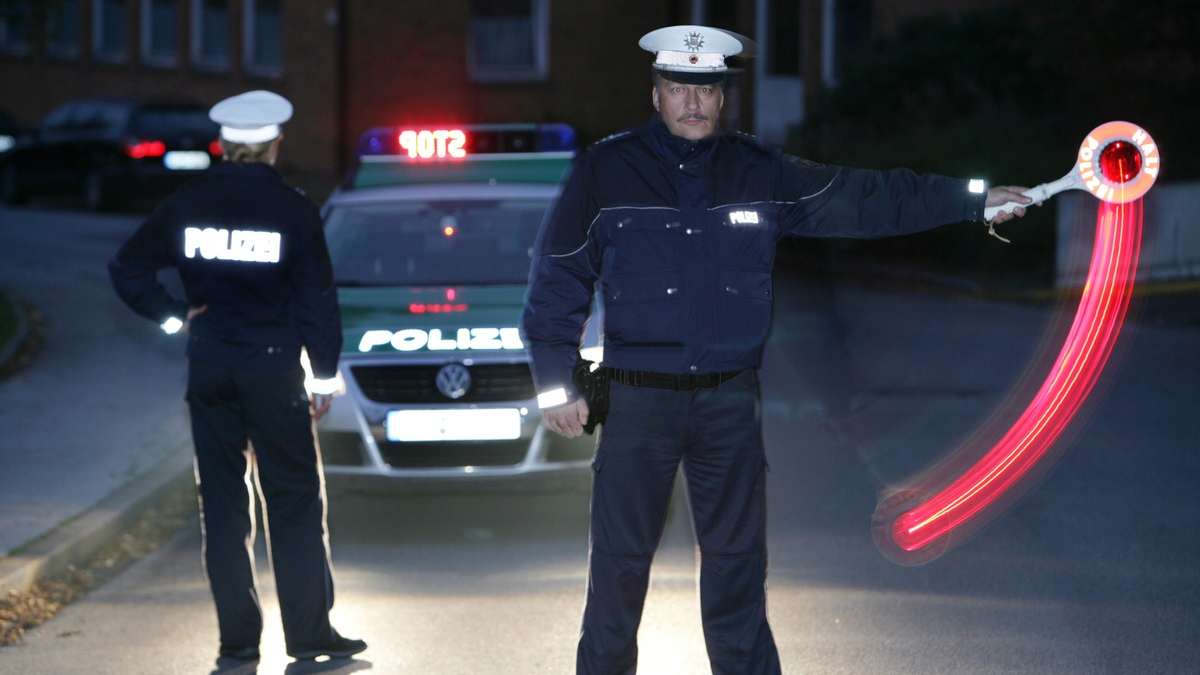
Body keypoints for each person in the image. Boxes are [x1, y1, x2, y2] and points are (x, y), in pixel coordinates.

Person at [521, 25, 1034, 675]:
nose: (693, 102)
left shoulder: (761, 171)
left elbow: (864, 197)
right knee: (619, 570)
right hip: (637, 400)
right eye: (679, 87)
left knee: (737, 570)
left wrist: (971, 200)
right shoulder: (606, 170)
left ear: (724, 97)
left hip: (728, 402)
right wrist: (553, 380)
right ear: (656, 94)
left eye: (706, 90)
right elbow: (558, 273)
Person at [107, 90, 366, 663]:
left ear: (222, 147)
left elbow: (126, 266)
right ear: (275, 146)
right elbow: (317, 301)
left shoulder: (187, 203)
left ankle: (238, 641)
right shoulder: (294, 208)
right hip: (273, 371)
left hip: (211, 368)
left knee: (222, 506)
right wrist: (322, 376)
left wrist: (173, 315)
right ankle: (309, 636)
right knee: (293, 501)